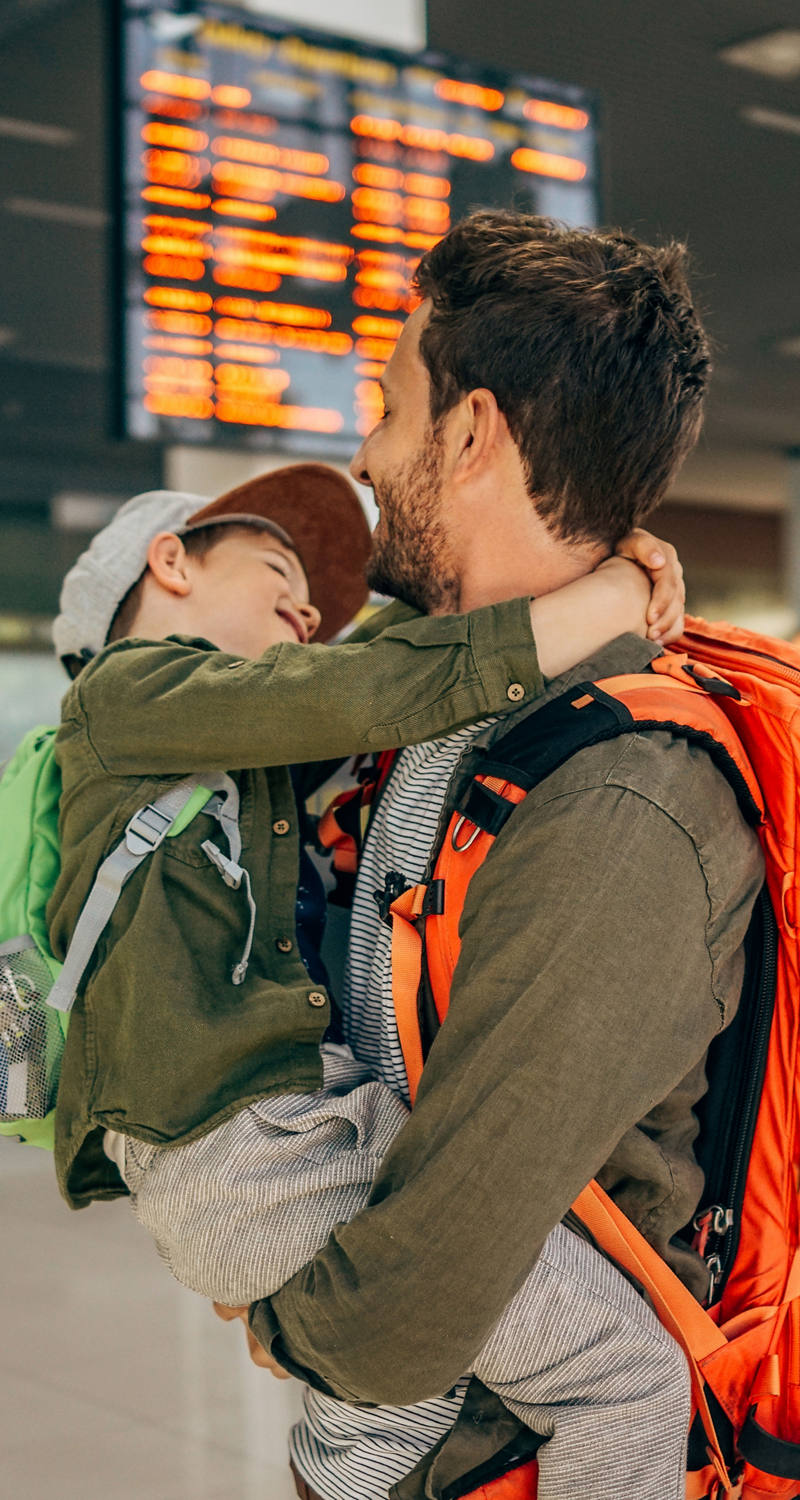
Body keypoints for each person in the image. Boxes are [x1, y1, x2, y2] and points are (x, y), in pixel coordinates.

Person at [213, 215, 765, 1500]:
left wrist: (280, 1315)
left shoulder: (622, 805)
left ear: (469, 436)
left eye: (390, 407)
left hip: (486, 1462)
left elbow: (420, 1292)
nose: (361, 451)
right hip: (386, 1441)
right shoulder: (429, 696)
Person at [49, 461, 686, 1500]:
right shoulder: (121, 699)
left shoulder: (228, 753)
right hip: (247, 1159)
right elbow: (374, 688)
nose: (306, 608)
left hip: (289, 1139)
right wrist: (610, 596)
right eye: (276, 570)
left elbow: (381, 667)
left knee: (387, 1436)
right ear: (169, 563)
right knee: (622, 1380)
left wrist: (565, 567)